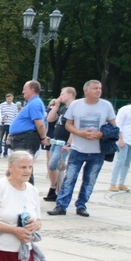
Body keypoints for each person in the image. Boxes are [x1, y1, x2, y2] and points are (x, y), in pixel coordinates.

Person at [48, 80, 116, 217]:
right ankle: (61, 206)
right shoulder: (76, 105)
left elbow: (114, 127)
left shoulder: (106, 106)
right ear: (86, 91)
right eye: (95, 88)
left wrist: (102, 134)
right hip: (78, 148)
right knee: (70, 178)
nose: (98, 90)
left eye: (100, 88)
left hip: (97, 151)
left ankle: (81, 205)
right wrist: (80, 133)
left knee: (90, 180)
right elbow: (68, 124)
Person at [44, 87, 76, 201]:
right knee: (56, 167)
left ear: (70, 95)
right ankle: (55, 190)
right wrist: (56, 106)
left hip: (63, 143)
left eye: (62, 94)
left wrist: (69, 144)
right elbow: (50, 119)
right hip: (55, 142)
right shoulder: (63, 108)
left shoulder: (74, 109)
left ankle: (57, 190)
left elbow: (74, 127)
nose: (60, 96)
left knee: (53, 165)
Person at [8, 80, 47, 158]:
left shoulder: (35, 103)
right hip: (23, 139)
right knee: (19, 166)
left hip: (25, 140)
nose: (23, 92)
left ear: (32, 90)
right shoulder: (32, 103)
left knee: (22, 166)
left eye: (25, 89)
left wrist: (43, 138)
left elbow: (40, 124)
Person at [110, 103, 131, 191]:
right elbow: (118, 124)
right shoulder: (124, 109)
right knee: (120, 162)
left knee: (127, 163)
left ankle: (121, 183)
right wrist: (120, 139)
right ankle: (113, 183)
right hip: (124, 139)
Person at [0, 93, 17, 158]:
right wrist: (1, 117)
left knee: (8, 140)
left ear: (12, 99)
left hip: (10, 125)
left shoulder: (14, 106)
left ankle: (5, 152)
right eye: (8, 99)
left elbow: (16, 115)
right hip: (2, 124)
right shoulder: (2, 105)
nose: (9, 100)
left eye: (10, 99)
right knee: (0, 138)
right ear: (6, 99)